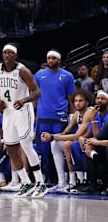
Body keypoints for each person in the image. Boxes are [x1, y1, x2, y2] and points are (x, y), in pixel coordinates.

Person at [0, 43, 46, 198]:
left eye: (10, 53)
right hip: (8, 112)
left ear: (15, 55)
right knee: (11, 148)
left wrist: (24, 99)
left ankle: (40, 183)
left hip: (22, 111)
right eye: (4, 52)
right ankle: (26, 182)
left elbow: (37, 92)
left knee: (26, 145)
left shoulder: (23, 71)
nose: (7, 55)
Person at [34, 49, 76, 185]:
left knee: (57, 149)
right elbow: (34, 95)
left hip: (59, 118)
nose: (50, 60)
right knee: (44, 151)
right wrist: (35, 114)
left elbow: (71, 98)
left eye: (53, 58)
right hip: (43, 118)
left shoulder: (67, 76)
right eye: (48, 58)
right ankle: (47, 178)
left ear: (59, 60)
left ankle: (62, 180)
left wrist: (72, 115)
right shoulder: (39, 75)